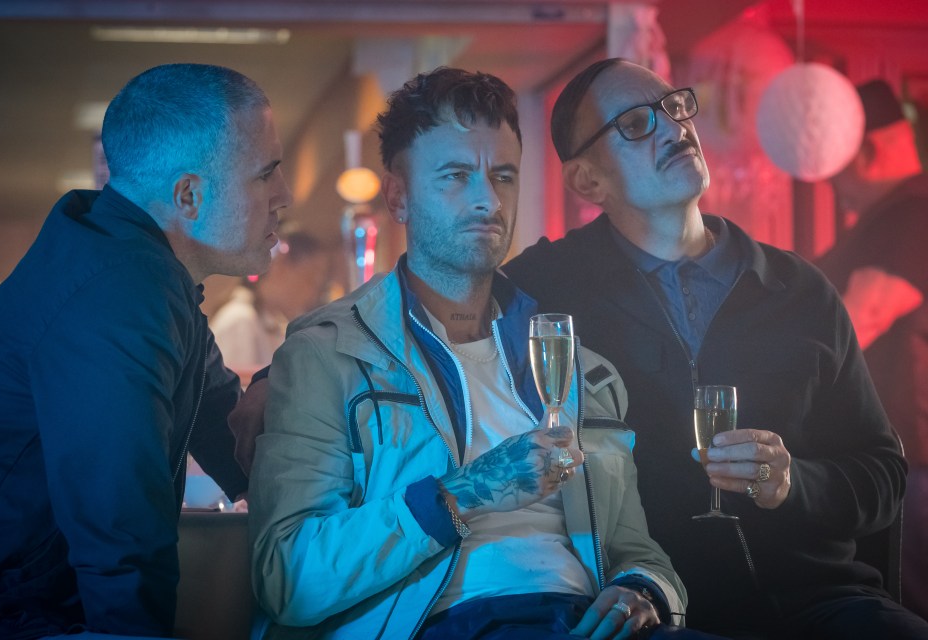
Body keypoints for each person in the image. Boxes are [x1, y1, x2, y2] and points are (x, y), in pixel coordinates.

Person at [250, 67, 721, 640]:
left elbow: (634, 547)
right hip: (446, 623)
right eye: (454, 176)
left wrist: (645, 589)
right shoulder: (326, 355)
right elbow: (288, 578)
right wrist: (464, 493)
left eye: (503, 176)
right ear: (398, 195)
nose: (487, 200)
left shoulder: (581, 367)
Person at [501, 58, 928, 639]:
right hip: (663, 608)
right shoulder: (545, 290)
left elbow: (881, 474)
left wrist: (791, 483)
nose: (675, 127)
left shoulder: (799, 289)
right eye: (635, 123)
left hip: (824, 599)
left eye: (675, 107)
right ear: (587, 182)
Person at [0, 63, 292, 638]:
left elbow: (226, 431)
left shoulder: (142, 272)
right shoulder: (118, 291)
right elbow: (120, 529)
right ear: (189, 195)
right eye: (267, 175)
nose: (284, 198)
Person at [816, 79, 928, 622]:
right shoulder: (892, 216)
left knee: (906, 609)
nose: (832, 180)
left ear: (868, 148)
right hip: (894, 466)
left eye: (836, 160)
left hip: (912, 470)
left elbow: (856, 323)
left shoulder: (911, 216)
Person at [211, 231, 329, 385]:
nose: (314, 291)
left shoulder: (275, 323)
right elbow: (236, 399)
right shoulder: (240, 320)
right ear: (280, 267)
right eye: (310, 277)